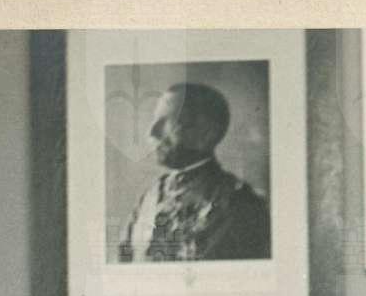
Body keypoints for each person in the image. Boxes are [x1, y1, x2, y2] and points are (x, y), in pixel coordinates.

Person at [116, 81, 272, 263]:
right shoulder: (148, 198)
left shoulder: (240, 205)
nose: (152, 133)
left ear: (206, 133)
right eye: (155, 120)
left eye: (169, 122)